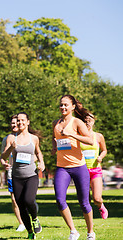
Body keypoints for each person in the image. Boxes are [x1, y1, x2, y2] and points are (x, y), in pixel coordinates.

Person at [51, 95, 95, 240]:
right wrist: (54, 148)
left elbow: (89, 140)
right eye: (61, 105)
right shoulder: (55, 123)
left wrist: (72, 135)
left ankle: (90, 233)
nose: (63, 107)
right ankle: (73, 231)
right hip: (62, 167)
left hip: (78, 166)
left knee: (84, 202)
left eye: (66, 105)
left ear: (73, 107)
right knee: (59, 199)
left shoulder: (77, 122)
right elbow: (55, 139)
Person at [1, 112, 45, 239]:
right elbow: (3, 156)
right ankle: (30, 232)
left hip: (31, 175)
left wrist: (41, 163)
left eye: (22, 120)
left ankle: (35, 218)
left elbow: (38, 151)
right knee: (20, 205)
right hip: (17, 176)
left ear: (28, 122)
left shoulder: (34, 138)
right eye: (18, 120)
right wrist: (11, 148)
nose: (20, 123)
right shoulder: (11, 138)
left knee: (29, 200)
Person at [0, 115, 25, 232]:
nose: (14, 125)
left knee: (27, 199)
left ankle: (32, 217)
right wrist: (3, 163)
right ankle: (21, 223)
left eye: (16, 123)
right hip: (12, 172)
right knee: (14, 199)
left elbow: (34, 155)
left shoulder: (26, 138)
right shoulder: (6, 139)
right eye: (12, 123)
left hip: (25, 171)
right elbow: (2, 156)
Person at [80, 113, 108, 219]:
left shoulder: (98, 136)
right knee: (85, 200)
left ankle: (101, 206)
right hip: (82, 170)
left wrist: (100, 157)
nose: (87, 122)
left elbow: (104, 150)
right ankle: (89, 218)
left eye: (89, 120)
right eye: (85, 120)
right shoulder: (79, 136)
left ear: (93, 121)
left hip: (95, 170)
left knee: (97, 198)